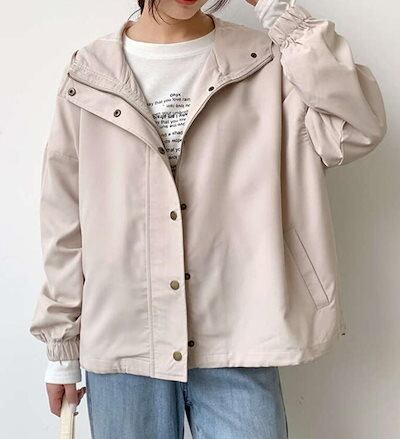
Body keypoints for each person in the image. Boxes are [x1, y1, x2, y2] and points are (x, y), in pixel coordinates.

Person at [29, 0, 387, 437]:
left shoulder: (267, 61)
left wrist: (279, 12)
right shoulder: (89, 73)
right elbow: (65, 222)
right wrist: (61, 350)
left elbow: (358, 127)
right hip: (124, 334)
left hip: (240, 330)